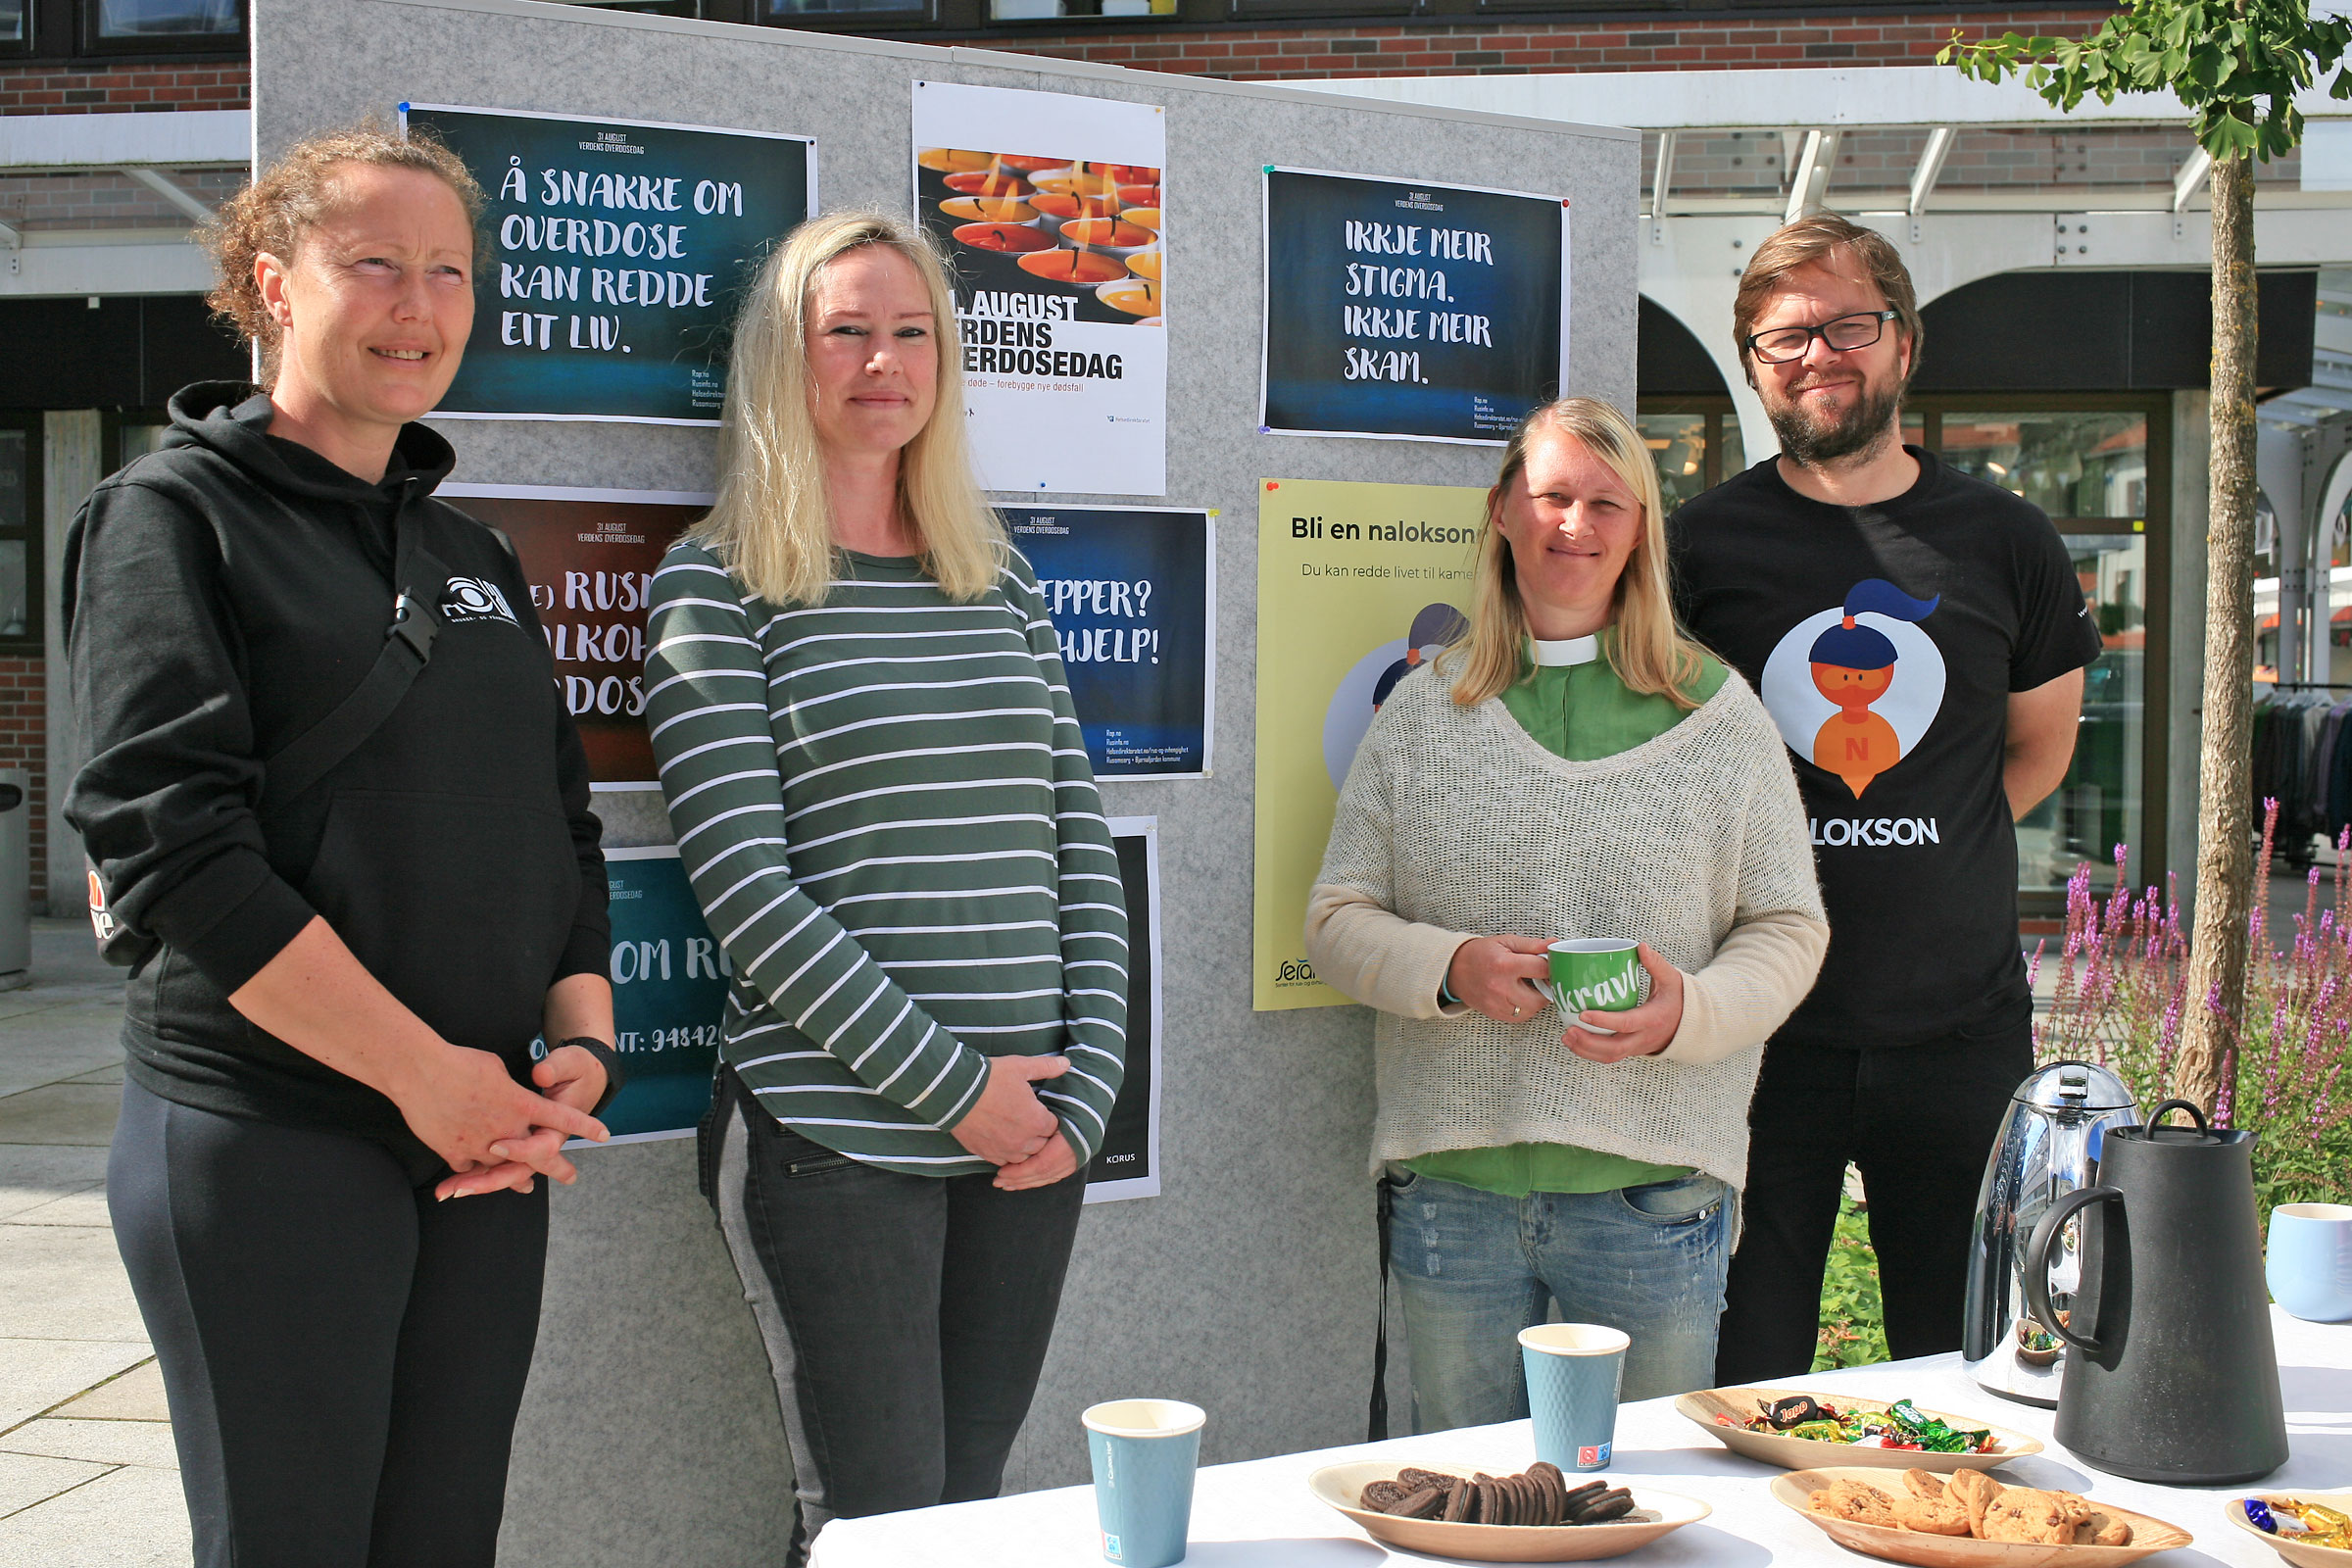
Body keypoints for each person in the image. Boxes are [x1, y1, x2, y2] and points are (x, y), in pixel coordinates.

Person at [62, 123, 618, 1568]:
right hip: (266, 1141)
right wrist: (428, 1077)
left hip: (483, 1144)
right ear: (275, 283)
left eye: (448, 270)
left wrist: (578, 1048)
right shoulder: (172, 517)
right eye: (373, 264)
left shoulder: (472, 554)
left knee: (444, 1541)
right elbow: (173, 844)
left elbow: (556, 821)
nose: (418, 305)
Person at [642, 211, 1128, 1565]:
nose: (882, 362)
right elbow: (746, 892)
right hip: (838, 1137)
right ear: (779, 361)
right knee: (880, 1516)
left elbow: (1077, 842)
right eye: (844, 330)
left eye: (911, 331)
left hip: (1031, 1136)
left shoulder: (1002, 578)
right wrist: (961, 1091)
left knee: (976, 1499)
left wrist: (1082, 1102)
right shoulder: (719, 584)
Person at [1302, 396, 1827, 1427]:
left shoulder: (1716, 717)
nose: (1574, 526)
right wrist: (1451, 967)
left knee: (1647, 1508)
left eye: (1604, 503)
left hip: (1656, 1193)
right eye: (1552, 496)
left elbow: (1788, 925)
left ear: (1640, 530)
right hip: (1455, 1193)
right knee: (1471, 1504)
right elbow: (1336, 917)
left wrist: (1691, 1012)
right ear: (1503, 509)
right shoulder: (1425, 711)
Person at [1667, 213, 2100, 1384]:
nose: (1820, 356)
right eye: (1787, 337)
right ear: (1753, 363)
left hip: (1959, 1031)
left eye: (1850, 324)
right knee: (1744, 1366)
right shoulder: (1696, 547)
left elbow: (2035, 751)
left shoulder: (2007, 540)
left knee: (1958, 1365)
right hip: (1760, 1036)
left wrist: (1922, 852)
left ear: (1904, 345)